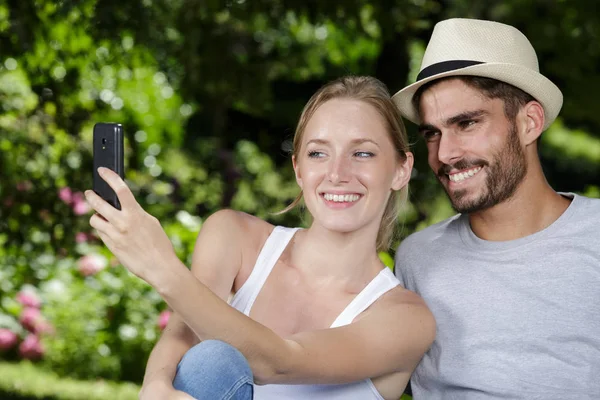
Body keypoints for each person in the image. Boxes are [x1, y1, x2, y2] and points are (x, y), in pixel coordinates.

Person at [84, 75, 436, 400]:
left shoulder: (405, 320)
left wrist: (162, 269)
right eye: (318, 153)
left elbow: (279, 362)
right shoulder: (234, 238)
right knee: (210, 362)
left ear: (401, 169)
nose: (337, 173)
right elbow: (181, 333)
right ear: (299, 169)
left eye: (362, 153)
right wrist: (156, 386)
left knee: (217, 357)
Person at [391, 18, 600, 399]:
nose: (445, 154)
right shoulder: (417, 259)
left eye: (467, 123)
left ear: (529, 122)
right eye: (432, 133)